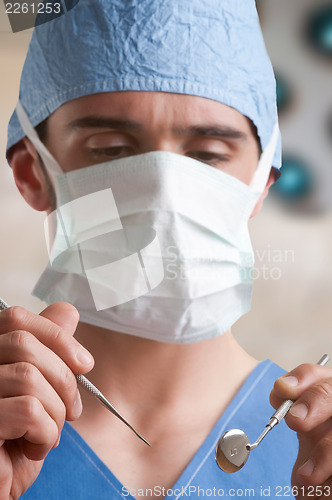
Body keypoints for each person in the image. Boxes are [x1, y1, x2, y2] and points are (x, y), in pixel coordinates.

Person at [1, 0, 332, 498]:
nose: (165, 192)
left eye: (208, 156)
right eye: (111, 149)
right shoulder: (11, 430)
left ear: (262, 180)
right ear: (32, 173)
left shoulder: (315, 448)